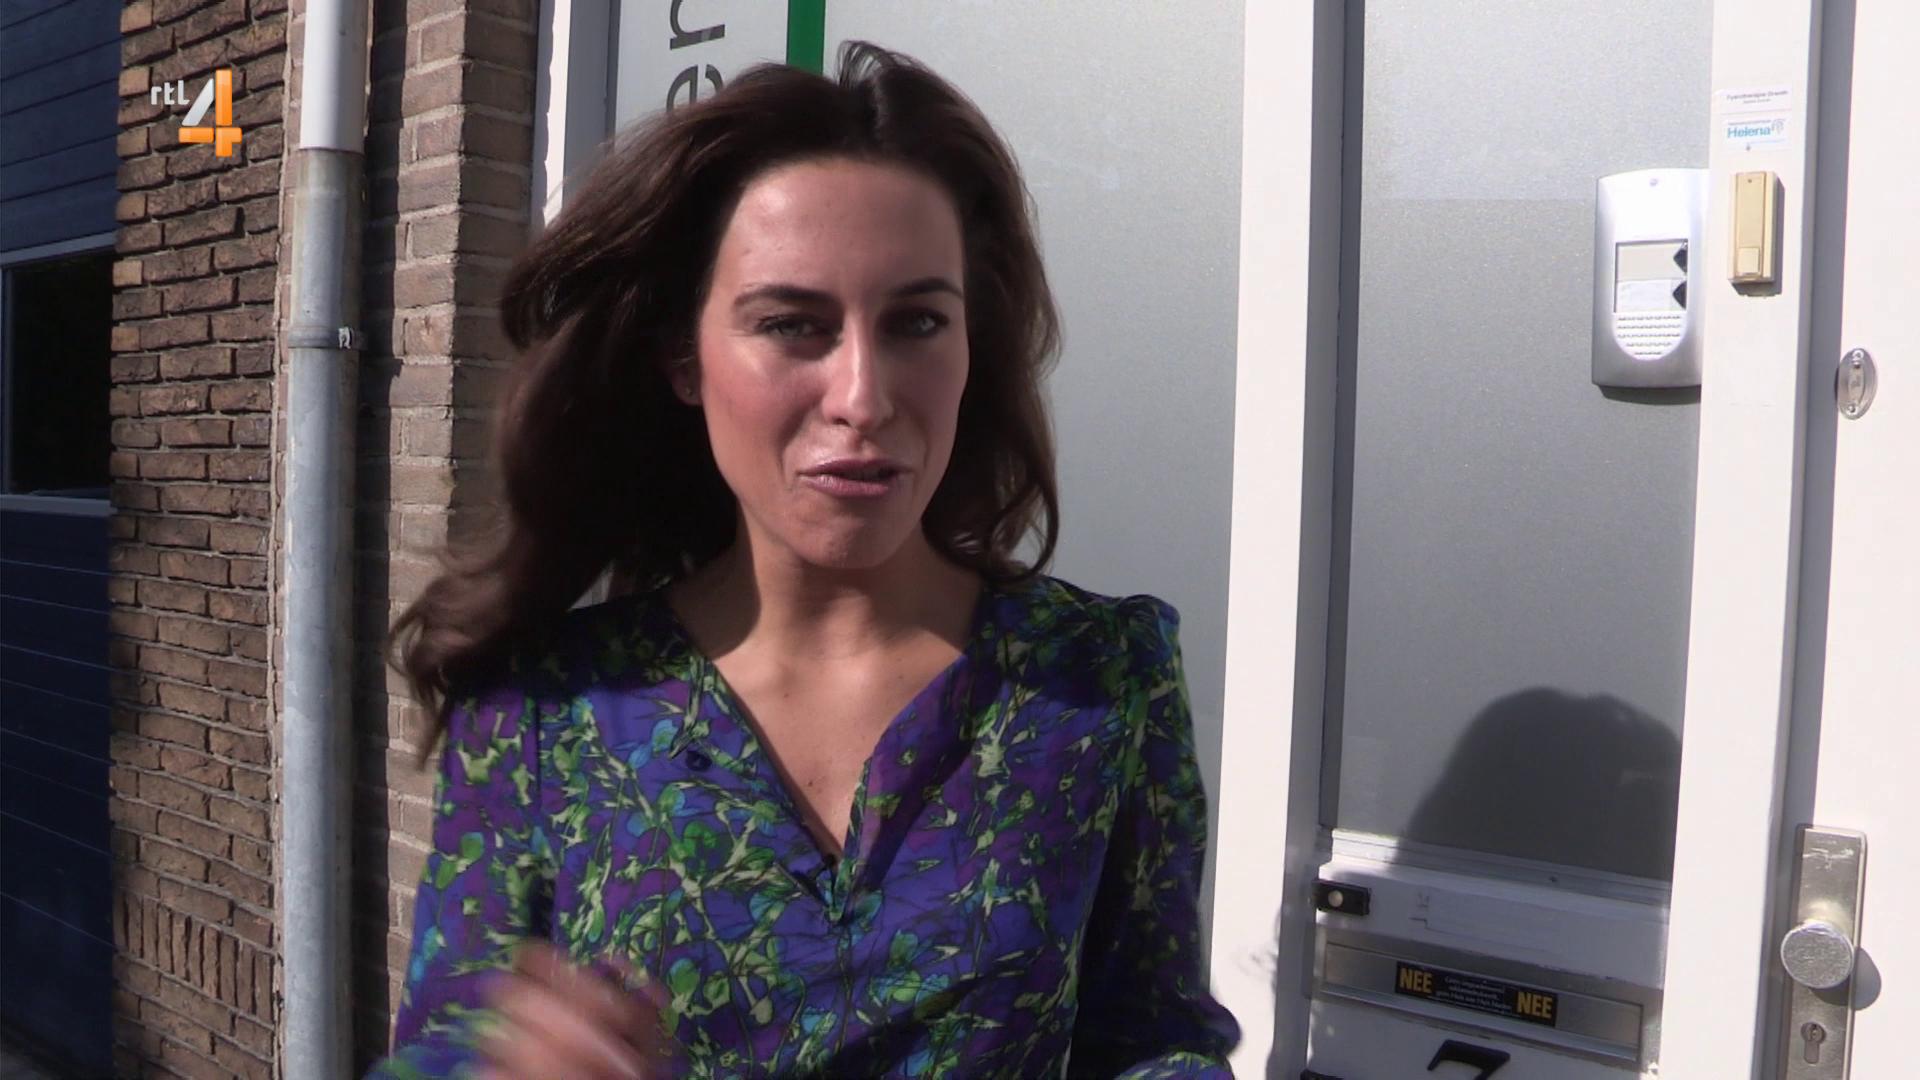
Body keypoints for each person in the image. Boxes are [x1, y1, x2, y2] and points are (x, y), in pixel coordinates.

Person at [370, 41, 1239, 1079]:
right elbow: (439, 1047)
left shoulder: (1097, 679)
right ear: (685, 358)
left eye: (918, 322)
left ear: (973, 346)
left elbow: (1154, 1041)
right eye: (791, 324)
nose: (863, 397)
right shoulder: (545, 712)